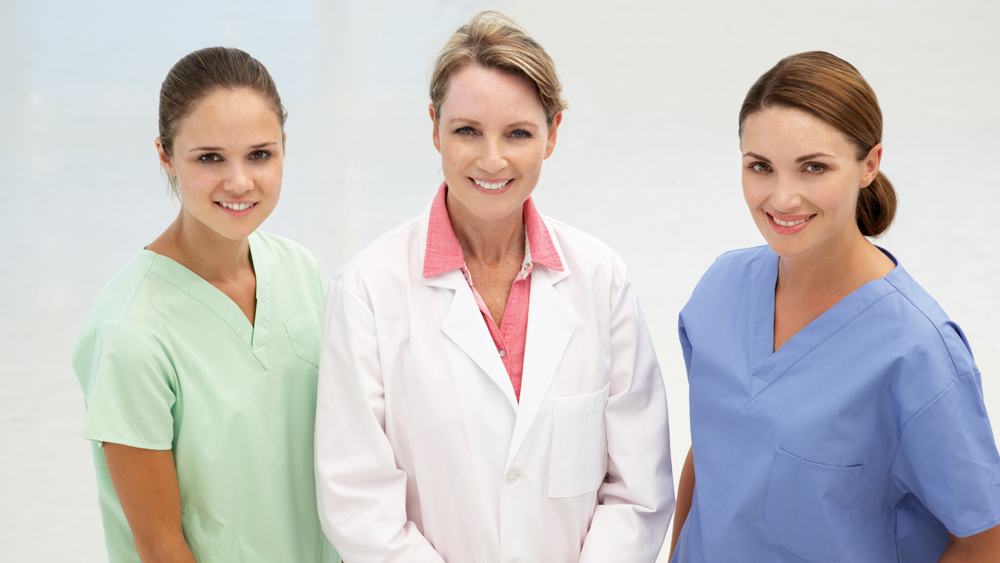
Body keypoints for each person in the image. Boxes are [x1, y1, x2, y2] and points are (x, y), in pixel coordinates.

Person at [314, 11, 673, 563]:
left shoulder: (602, 280)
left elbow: (638, 490)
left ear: (553, 135)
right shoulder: (367, 291)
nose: (492, 160)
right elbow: (358, 502)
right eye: (466, 131)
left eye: (518, 134)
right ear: (433, 126)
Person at [669, 51, 1000, 562]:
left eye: (814, 168)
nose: (782, 198)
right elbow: (713, 452)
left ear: (869, 164)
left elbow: (982, 538)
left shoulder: (917, 350)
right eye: (760, 167)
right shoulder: (721, 288)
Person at [72, 47, 339, 562]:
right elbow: (159, 546)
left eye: (260, 154)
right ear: (165, 155)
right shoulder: (130, 332)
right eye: (209, 157)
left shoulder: (297, 270)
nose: (239, 182)